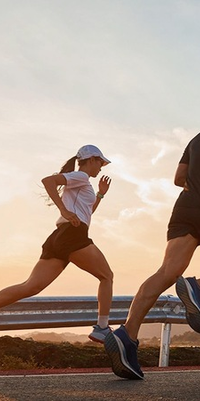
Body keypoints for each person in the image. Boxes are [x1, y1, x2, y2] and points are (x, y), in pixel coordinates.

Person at [105, 93, 200, 380]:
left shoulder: (196, 137)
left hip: (186, 207)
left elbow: (178, 177)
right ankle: (198, 287)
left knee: (167, 271)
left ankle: (127, 334)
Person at [0, 145, 114, 343]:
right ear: (92, 160)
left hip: (59, 237)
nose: (101, 168)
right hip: (73, 235)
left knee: (30, 287)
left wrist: (100, 195)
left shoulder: (81, 182)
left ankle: (102, 327)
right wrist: (64, 211)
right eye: (100, 163)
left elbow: (86, 214)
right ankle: (102, 328)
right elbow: (48, 181)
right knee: (107, 276)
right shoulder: (81, 176)